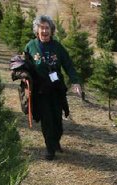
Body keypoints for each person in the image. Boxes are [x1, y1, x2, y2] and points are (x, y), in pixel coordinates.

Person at [24, 15, 83, 160]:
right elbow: (23, 65)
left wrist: (75, 82)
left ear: (51, 30)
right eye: (41, 28)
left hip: (56, 89)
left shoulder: (58, 47)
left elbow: (68, 65)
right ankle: (50, 148)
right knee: (47, 119)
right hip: (41, 90)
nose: (44, 31)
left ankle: (55, 140)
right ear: (37, 30)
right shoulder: (30, 46)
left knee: (57, 119)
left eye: (47, 28)